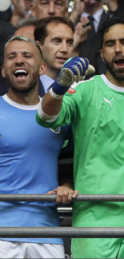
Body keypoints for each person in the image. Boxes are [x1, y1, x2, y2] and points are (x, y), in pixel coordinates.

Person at [36, 17, 124, 258]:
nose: (118, 49)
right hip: (93, 223)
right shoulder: (84, 90)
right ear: (102, 53)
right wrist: (60, 86)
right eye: (110, 44)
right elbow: (46, 117)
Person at [0, 36, 76, 259]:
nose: (19, 61)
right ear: (3, 70)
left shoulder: (60, 114)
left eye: (27, 55)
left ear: (42, 68)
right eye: (11, 57)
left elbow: (73, 162)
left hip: (48, 234)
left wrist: (66, 185)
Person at [34, 17, 75, 93]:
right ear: (38, 47)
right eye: (57, 41)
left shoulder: (80, 88)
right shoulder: (25, 88)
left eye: (69, 42)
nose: (65, 49)